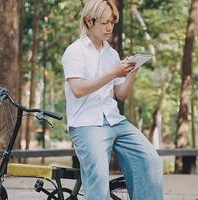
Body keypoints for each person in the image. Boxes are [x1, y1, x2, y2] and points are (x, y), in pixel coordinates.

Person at [61, 0, 163, 199]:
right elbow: (78, 89)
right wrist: (113, 73)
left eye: (112, 22)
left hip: (115, 120)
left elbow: (121, 94)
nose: (109, 27)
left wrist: (132, 72)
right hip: (86, 124)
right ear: (89, 22)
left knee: (150, 160)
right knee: (98, 178)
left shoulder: (112, 53)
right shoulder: (74, 51)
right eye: (104, 22)